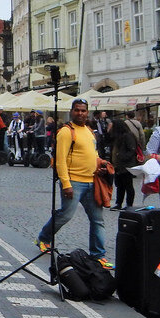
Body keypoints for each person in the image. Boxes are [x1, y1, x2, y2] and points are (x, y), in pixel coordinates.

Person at [36, 98, 114, 269]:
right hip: (74, 181)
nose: (80, 113)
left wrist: (100, 164)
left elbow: (92, 154)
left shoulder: (89, 130)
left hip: (92, 181)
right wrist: (66, 183)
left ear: (87, 112)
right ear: (72, 111)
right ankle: (43, 238)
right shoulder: (66, 131)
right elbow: (60, 160)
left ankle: (98, 255)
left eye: (83, 110)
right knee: (65, 215)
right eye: (77, 110)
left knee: (97, 220)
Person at [109, 114, 144, 210]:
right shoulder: (117, 136)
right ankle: (119, 203)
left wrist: (121, 157)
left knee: (128, 185)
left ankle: (129, 204)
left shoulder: (128, 135)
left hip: (127, 165)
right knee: (120, 185)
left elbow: (131, 150)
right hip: (118, 165)